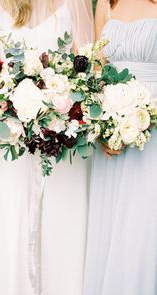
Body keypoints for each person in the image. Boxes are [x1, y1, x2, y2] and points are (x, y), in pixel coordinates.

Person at [0, 0, 93, 294]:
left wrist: (59, 105)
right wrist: (12, 105)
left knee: (64, 221)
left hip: (64, 139)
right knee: (14, 222)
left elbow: (89, 69)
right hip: (13, 139)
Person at [84, 0, 157, 294]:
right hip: (114, 136)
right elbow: (98, 68)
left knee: (145, 229)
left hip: (152, 132)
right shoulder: (106, 3)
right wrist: (102, 126)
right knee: (115, 228)